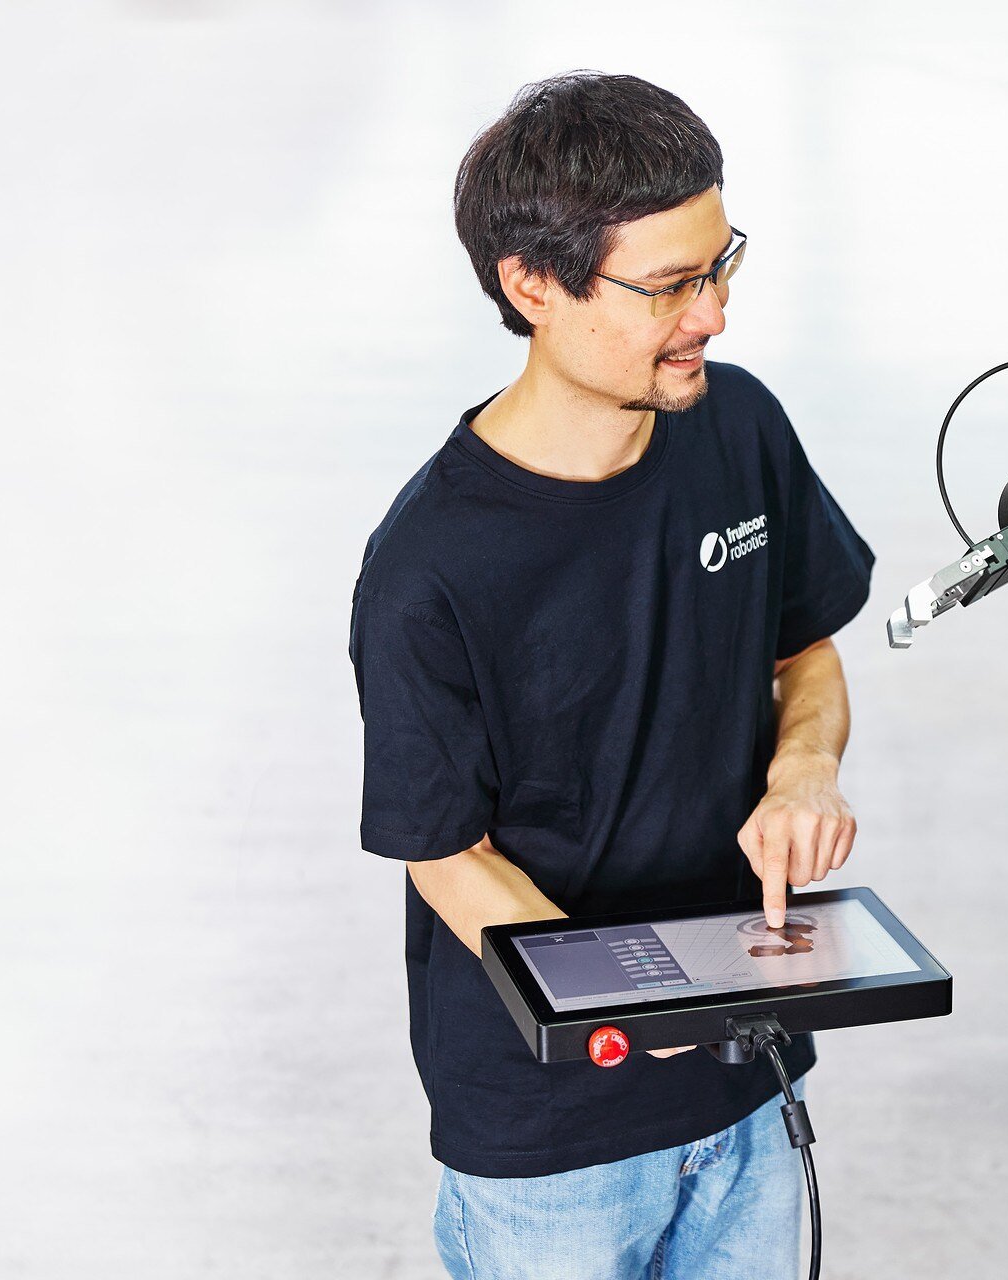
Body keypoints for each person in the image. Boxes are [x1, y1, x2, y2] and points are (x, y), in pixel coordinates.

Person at [347, 71, 874, 1280]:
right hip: (551, 1142)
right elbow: (447, 854)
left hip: (748, 1085)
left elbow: (804, 648)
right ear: (530, 284)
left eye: (720, 264)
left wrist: (804, 769)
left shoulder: (737, 429)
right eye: (668, 286)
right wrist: (635, 1009)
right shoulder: (428, 567)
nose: (714, 315)